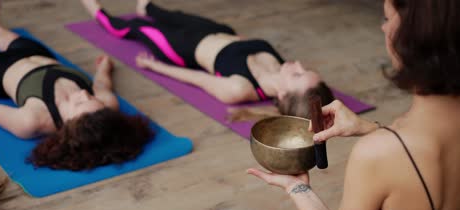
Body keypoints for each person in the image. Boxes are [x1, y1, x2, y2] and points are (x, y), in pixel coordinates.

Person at [196, 0, 460, 210]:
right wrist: (369, 128)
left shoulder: (379, 153)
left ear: (411, 38)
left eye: (388, 19)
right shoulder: (393, 146)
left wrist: (296, 188)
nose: (383, 28)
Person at [80, 0, 335, 120]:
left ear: (281, 94)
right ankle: (146, 8)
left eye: (298, 74)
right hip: (216, 29)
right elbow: (245, 42)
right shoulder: (281, 67)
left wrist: (155, 66)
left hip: (181, 48)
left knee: (128, 26)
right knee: (155, 10)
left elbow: (198, 78)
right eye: (305, 68)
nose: (298, 64)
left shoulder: (240, 88)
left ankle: (91, 5)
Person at [0, 0, 154, 177]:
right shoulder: (107, 106)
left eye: (79, 103)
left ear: (68, 128)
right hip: (36, 54)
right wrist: (104, 68)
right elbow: (100, 84)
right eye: (92, 98)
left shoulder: (33, 121)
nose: (84, 93)